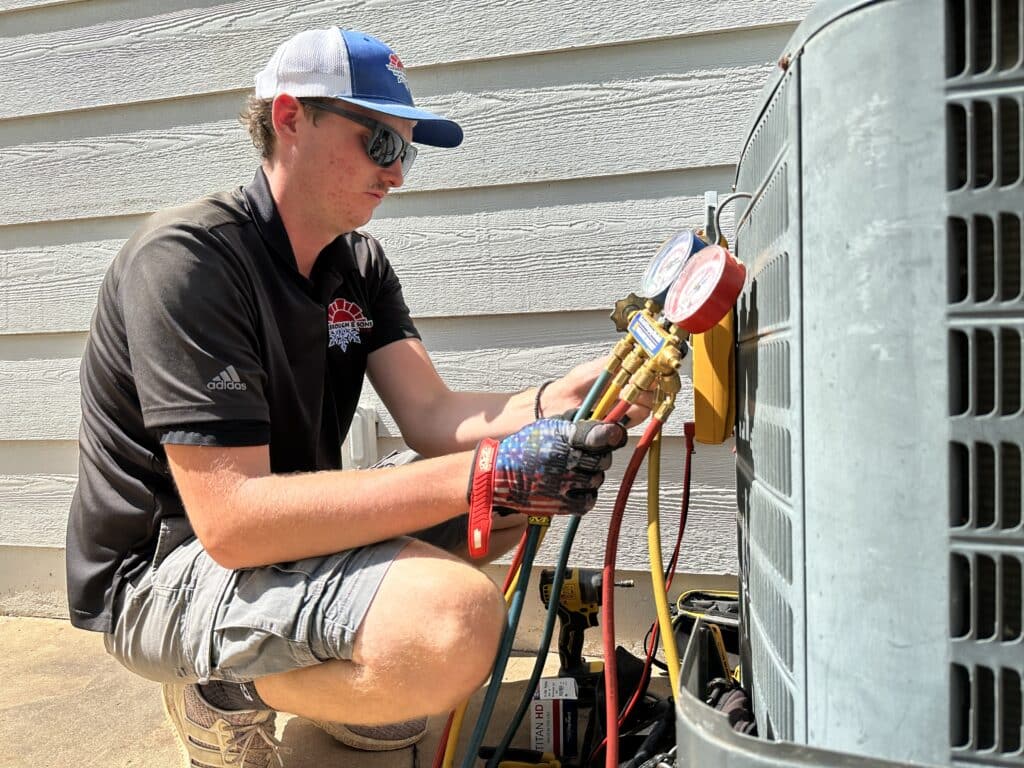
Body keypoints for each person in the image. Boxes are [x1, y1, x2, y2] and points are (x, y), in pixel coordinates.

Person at [66, 26, 644, 768]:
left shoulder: (358, 263)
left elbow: (437, 418)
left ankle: (332, 671)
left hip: (279, 529)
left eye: (407, 150)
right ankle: (224, 689)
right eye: (380, 143)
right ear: (288, 118)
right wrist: (488, 469)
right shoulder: (187, 263)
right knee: (455, 624)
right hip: (166, 571)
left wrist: (571, 397)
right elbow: (233, 522)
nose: (398, 174)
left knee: (508, 506)